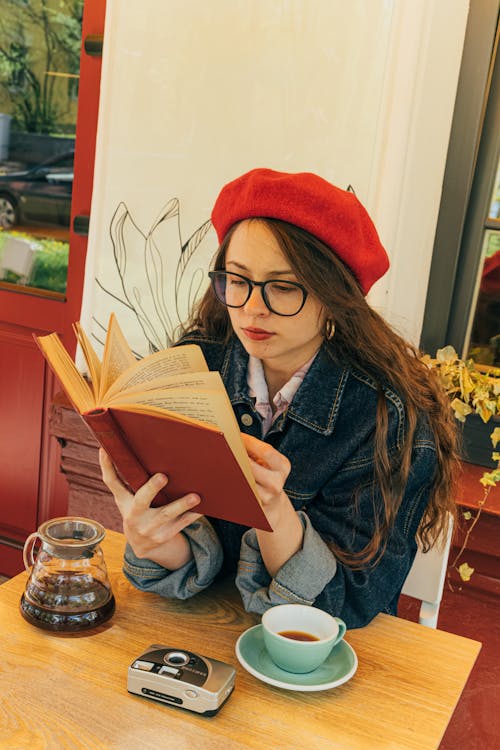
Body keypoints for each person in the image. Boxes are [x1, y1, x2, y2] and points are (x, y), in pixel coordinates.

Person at [100, 168, 459, 628]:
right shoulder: (190, 371)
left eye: (284, 287)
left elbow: (352, 604)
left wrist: (274, 511)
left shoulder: (385, 419)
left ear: (335, 297)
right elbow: (190, 562)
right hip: (195, 636)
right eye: (238, 279)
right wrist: (151, 538)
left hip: (313, 668)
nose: (252, 307)